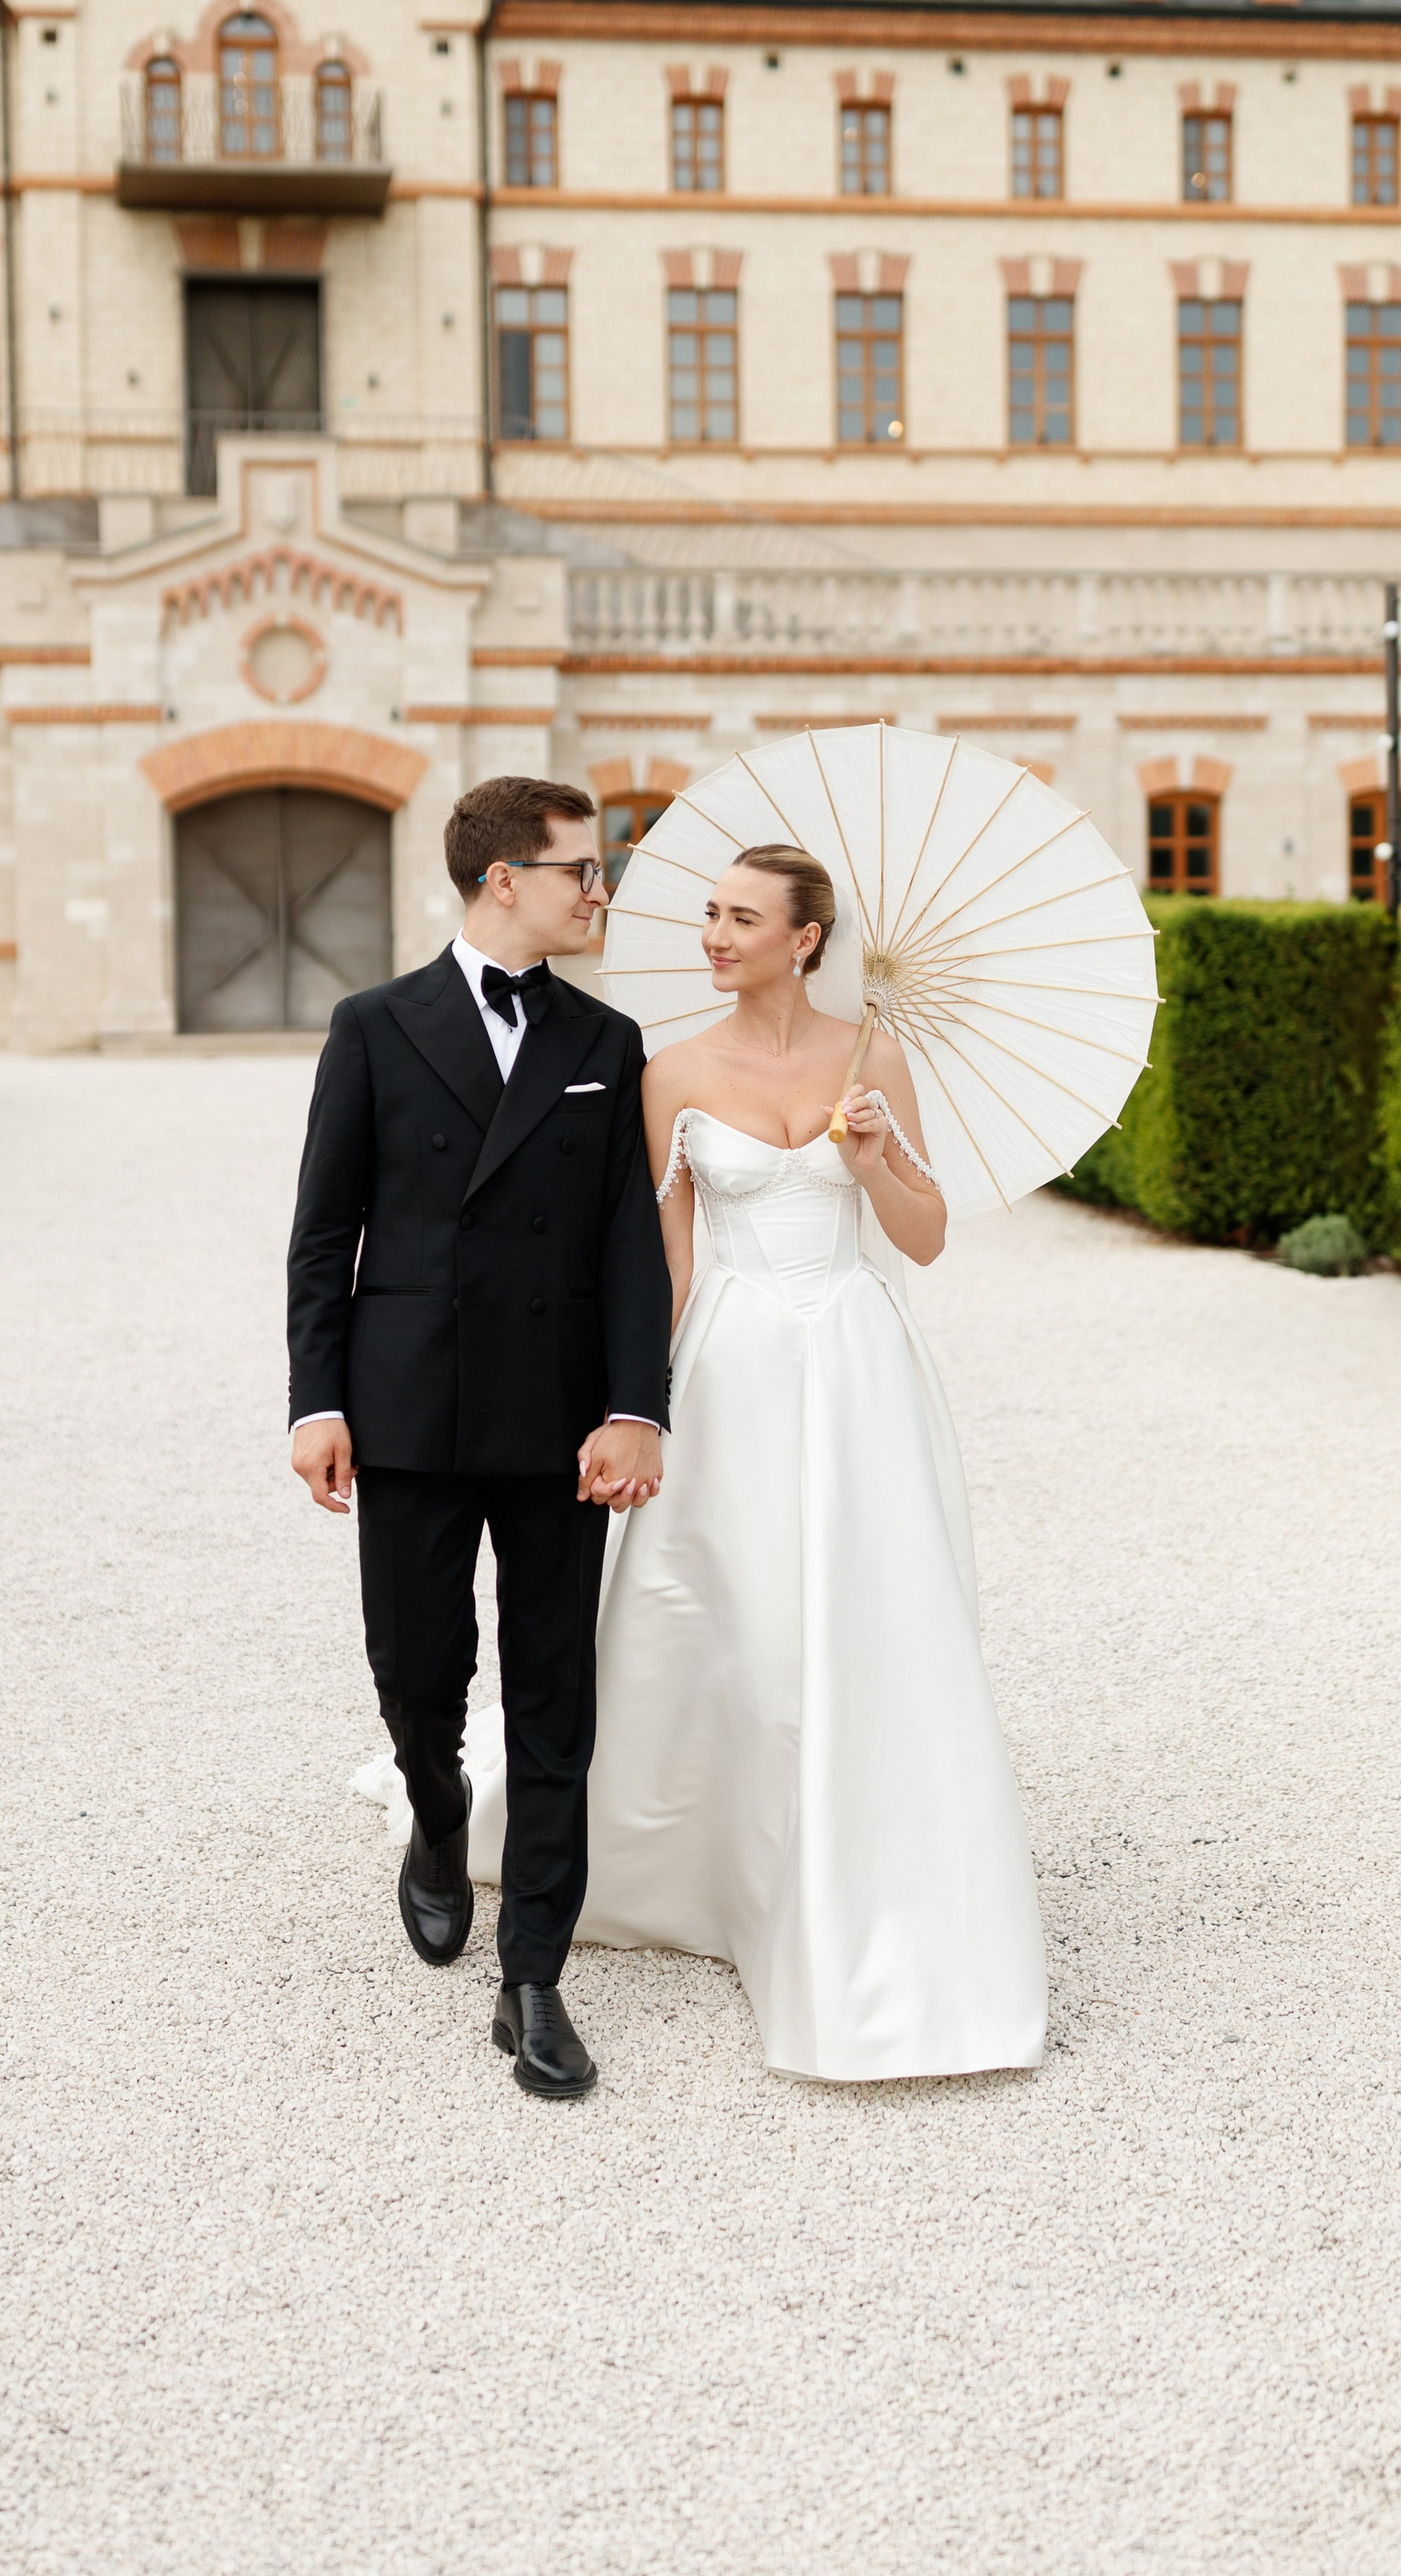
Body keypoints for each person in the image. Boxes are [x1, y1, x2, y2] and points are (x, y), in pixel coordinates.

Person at [463, 842, 1048, 2082]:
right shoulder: (669, 1070)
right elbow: (662, 1267)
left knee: (867, 1612)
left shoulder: (872, 1055)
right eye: (712, 916)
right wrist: (638, 1406)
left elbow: (926, 1241)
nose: (715, 936)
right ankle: (706, 1857)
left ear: (807, 939)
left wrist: (880, 1150)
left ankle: (861, 1864)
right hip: (731, 1369)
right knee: (725, 1611)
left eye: (742, 919)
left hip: (856, 1365)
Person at [287, 777, 668, 2102]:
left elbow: (631, 1247)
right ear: (504, 878)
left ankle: (532, 1977)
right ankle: (438, 1810)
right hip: (408, 1407)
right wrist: (315, 1399)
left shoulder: (609, 1041)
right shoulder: (375, 1026)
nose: (599, 890)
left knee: (555, 1692)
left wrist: (637, 1406)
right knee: (414, 1663)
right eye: (581, 869)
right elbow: (325, 1232)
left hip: (561, 1421)